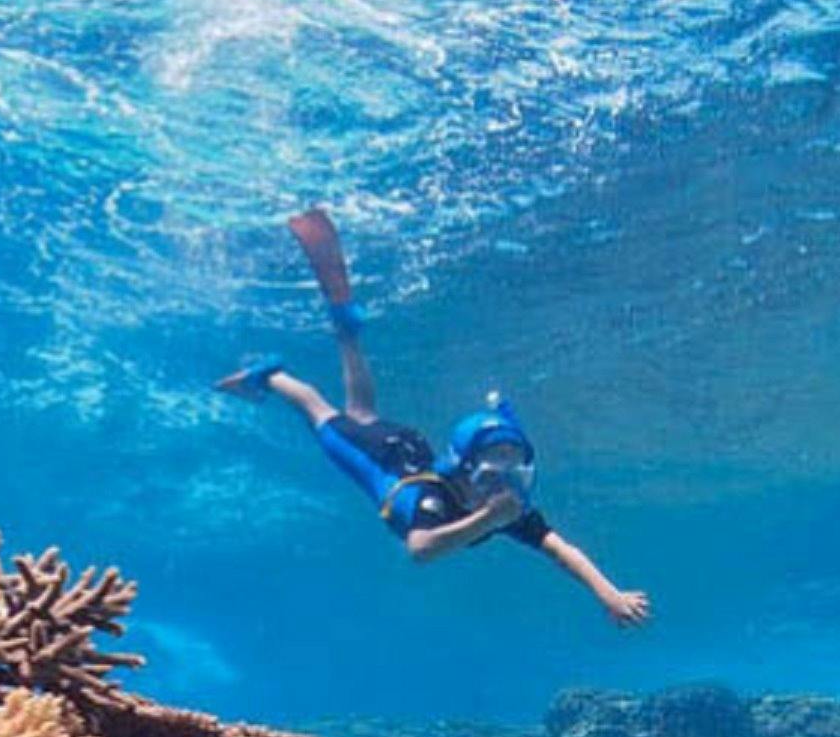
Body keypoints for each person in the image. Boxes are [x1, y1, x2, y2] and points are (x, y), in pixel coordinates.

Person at [217, 208, 652, 626]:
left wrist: (607, 593)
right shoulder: (437, 500)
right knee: (320, 410)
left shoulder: (500, 505)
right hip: (379, 458)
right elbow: (420, 548)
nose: (503, 484)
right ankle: (272, 376)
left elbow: (561, 549)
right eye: (492, 473)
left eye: (513, 471)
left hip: (405, 450)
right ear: (464, 471)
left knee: (361, 411)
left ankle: (345, 326)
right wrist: (487, 520)